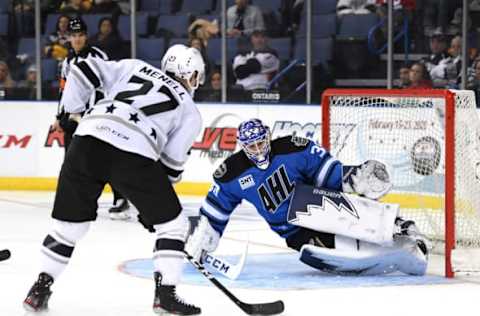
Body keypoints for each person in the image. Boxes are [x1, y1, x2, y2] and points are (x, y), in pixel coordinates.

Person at [23, 44, 205, 315]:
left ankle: (39, 289)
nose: (195, 83)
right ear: (187, 73)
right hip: (134, 153)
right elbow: (170, 168)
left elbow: (82, 69)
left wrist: (71, 110)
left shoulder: (133, 66)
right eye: (195, 77)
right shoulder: (190, 109)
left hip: (86, 141)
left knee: (68, 228)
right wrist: (153, 211)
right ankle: (165, 297)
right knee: (173, 226)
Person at [186, 119, 429, 277]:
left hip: (313, 205)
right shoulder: (232, 173)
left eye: (262, 143)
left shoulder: (293, 147)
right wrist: (203, 237)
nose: (259, 150)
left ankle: (400, 227)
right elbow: (216, 211)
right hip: (292, 232)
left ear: (268, 137)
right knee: (341, 254)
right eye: (252, 147)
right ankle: (399, 252)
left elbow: (327, 174)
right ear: (242, 146)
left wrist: (353, 176)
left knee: (339, 210)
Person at [51, 17, 130, 219]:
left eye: (80, 35)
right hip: (74, 119)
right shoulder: (67, 61)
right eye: (73, 35)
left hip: (96, 117)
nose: (77, 39)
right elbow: (65, 91)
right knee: (71, 161)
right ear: (68, 37)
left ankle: (121, 199)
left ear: (86, 36)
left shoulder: (98, 56)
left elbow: (109, 85)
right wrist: (59, 116)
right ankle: (72, 200)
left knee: (105, 158)